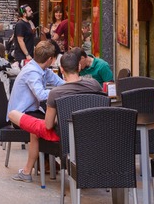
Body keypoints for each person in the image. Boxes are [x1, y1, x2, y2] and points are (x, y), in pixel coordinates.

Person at [8, 48, 102, 183]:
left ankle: (27, 171)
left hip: (62, 135)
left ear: (61, 69)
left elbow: (48, 125)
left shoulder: (56, 93)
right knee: (36, 128)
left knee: (14, 115)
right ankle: (36, 167)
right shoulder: (94, 85)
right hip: (89, 131)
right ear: (79, 66)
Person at [7, 40, 64, 121]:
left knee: (54, 120)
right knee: (53, 123)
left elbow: (59, 82)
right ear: (49, 59)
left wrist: (70, 86)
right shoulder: (32, 72)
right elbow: (41, 95)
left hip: (30, 111)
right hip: (20, 115)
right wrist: (59, 91)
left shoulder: (43, 69)